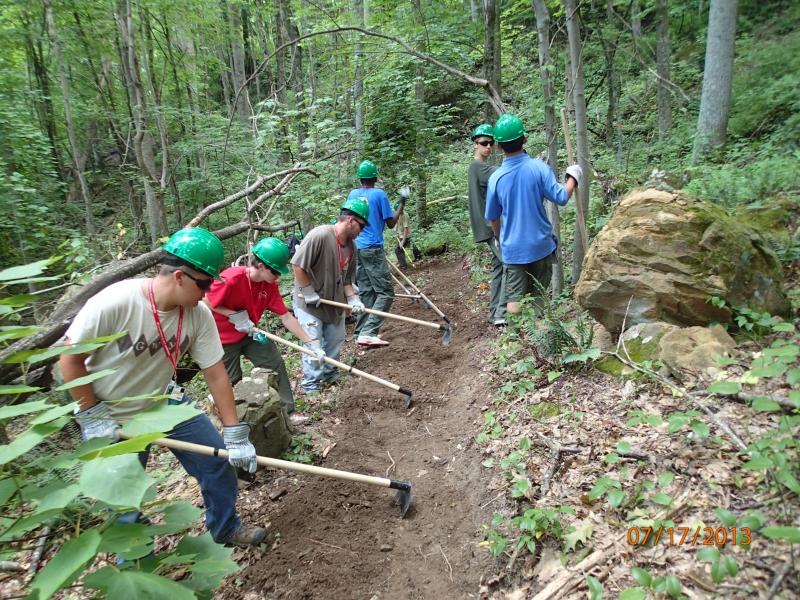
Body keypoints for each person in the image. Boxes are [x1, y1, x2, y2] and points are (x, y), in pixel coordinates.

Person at [60, 227, 266, 547]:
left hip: (161, 401)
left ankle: (225, 528)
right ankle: (137, 563)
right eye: (205, 283)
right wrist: (92, 415)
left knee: (219, 461)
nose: (209, 291)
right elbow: (70, 359)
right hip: (110, 413)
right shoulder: (116, 302)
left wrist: (234, 432)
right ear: (180, 276)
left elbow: (215, 374)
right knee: (124, 501)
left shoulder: (198, 315)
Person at [204, 237, 325, 426]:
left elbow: (286, 317)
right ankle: (234, 423)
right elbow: (207, 301)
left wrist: (311, 343)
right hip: (223, 339)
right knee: (229, 381)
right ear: (260, 266)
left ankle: (288, 412)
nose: (278, 276)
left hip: (250, 333)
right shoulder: (231, 278)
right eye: (275, 271)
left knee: (274, 363)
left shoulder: (269, 286)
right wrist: (234, 315)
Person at [485, 114, 582, 315]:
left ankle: (517, 339)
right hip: (540, 245)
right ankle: (541, 338)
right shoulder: (539, 168)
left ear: (499, 146)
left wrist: (499, 237)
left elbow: (493, 217)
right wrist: (573, 176)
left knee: (514, 300)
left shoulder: (496, 178)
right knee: (540, 296)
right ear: (525, 139)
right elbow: (562, 197)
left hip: (513, 248)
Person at [291, 198, 368, 394]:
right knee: (314, 345)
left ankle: (331, 376)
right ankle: (312, 386)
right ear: (350, 220)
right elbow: (298, 265)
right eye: (362, 225)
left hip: (334, 303)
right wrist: (308, 291)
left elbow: (347, 281)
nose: (362, 230)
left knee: (335, 340)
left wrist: (352, 299)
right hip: (309, 303)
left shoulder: (351, 247)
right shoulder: (320, 235)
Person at [347, 160, 408, 347]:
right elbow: (390, 223)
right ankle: (368, 331)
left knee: (366, 292)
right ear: (375, 177)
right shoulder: (379, 194)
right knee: (386, 293)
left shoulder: (353, 194)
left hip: (356, 247)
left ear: (360, 178)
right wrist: (402, 203)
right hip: (372, 248)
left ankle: (360, 332)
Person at [467, 123, 507, 326]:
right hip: (491, 227)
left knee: (500, 267)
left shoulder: (478, 167)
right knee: (509, 265)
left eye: (492, 143)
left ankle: (495, 312)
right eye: (484, 143)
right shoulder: (478, 166)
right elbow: (505, 174)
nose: (488, 146)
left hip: (489, 226)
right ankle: (501, 313)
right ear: (476, 144)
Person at [393, 202, 421, 271]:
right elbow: (396, 223)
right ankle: (418, 256)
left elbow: (406, 228)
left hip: (405, 236)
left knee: (398, 250)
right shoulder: (397, 214)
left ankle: (404, 267)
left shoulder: (405, 215)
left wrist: (403, 240)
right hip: (400, 235)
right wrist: (395, 231)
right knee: (401, 249)